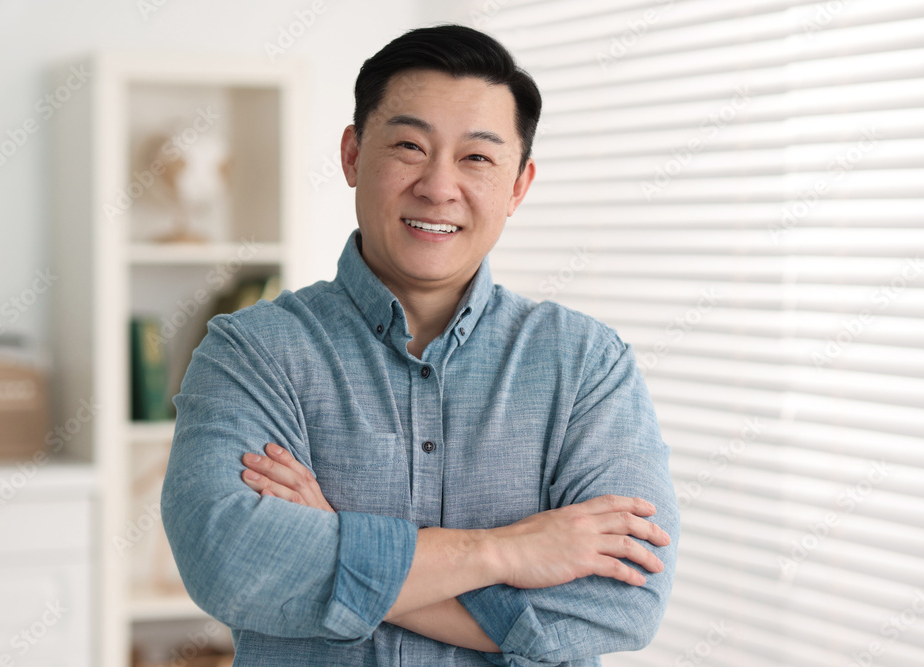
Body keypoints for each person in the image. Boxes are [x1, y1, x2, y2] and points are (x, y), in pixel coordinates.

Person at [161, 24, 679, 666]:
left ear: (518, 185)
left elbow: (623, 604)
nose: (438, 186)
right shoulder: (252, 351)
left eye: (478, 158)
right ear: (352, 155)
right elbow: (229, 560)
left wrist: (334, 543)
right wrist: (507, 551)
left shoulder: (587, 365)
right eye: (409, 146)